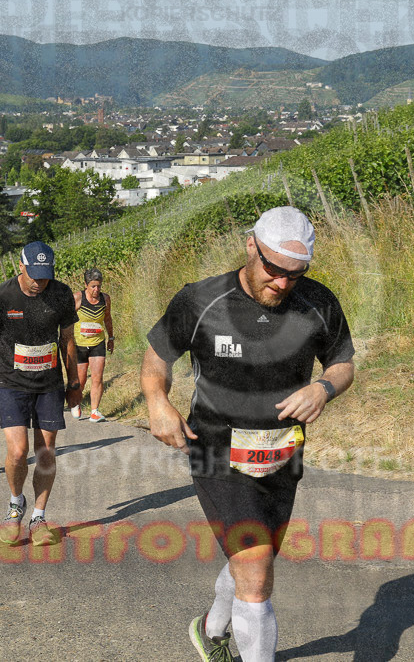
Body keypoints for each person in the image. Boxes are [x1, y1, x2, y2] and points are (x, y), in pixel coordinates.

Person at [141, 207, 355, 662]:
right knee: (255, 568)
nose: (282, 283)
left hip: (282, 453)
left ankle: (210, 629)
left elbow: (342, 363)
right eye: (274, 269)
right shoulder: (201, 301)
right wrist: (157, 401)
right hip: (215, 450)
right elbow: (158, 356)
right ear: (251, 246)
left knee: (256, 559)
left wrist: (324, 388)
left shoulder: (318, 302)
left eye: (295, 275)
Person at [0, 241, 81, 547]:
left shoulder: (60, 294)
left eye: (44, 276)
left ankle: (38, 517)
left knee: (45, 452)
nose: (39, 282)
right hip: (10, 379)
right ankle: (15, 504)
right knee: (18, 451)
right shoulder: (2, 295)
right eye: (34, 274)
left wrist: (74, 381)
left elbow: (67, 339)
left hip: (48, 381)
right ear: (19, 267)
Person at [71, 268, 114, 422]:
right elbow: (66, 321)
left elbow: (107, 318)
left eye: (99, 286)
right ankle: (76, 403)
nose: (96, 290)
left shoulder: (105, 299)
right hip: (80, 344)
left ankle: (95, 411)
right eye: (93, 286)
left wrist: (111, 337)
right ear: (85, 285)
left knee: (97, 377)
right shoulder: (77, 298)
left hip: (98, 343)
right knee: (81, 380)